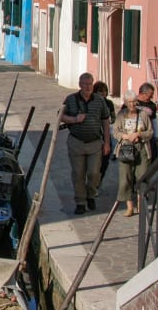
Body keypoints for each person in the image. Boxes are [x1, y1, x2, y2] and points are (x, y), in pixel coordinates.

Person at [59, 72, 111, 215]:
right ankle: (80, 202)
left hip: (95, 143)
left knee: (94, 173)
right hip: (76, 141)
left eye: (90, 84)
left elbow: (106, 121)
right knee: (78, 174)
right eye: (85, 84)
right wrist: (75, 120)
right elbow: (60, 116)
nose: (88, 87)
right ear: (80, 85)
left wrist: (107, 143)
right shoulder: (70, 99)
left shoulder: (99, 101)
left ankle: (91, 194)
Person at [112, 90, 152, 217]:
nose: (132, 104)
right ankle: (130, 206)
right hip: (126, 149)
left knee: (142, 177)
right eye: (129, 102)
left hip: (142, 148)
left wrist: (139, 134)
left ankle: (141, 205)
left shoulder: (143, 115)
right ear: (125, 102)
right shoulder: (121, 115)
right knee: (126, 178)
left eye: (134, 102)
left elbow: (150, 132)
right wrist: (126, 136)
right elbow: (116, 132)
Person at [93, 81, 116, 182]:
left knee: (105, 161)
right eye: (100, 91)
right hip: (94, 135)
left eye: (105, 91)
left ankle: (99, 180)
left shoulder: (109, 103)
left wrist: (109, 120)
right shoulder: (92, 102)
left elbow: (113, 117)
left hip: (105, 134)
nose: (103, 93)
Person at [137, 82, 158, 160]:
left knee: (152, 157)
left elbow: (154, 121)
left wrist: (156, 136)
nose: (152, 97)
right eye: (150, 95)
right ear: (143, 93)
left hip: (148, 135)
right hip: (134, 135)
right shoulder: (131, 102)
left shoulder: (152, 105)